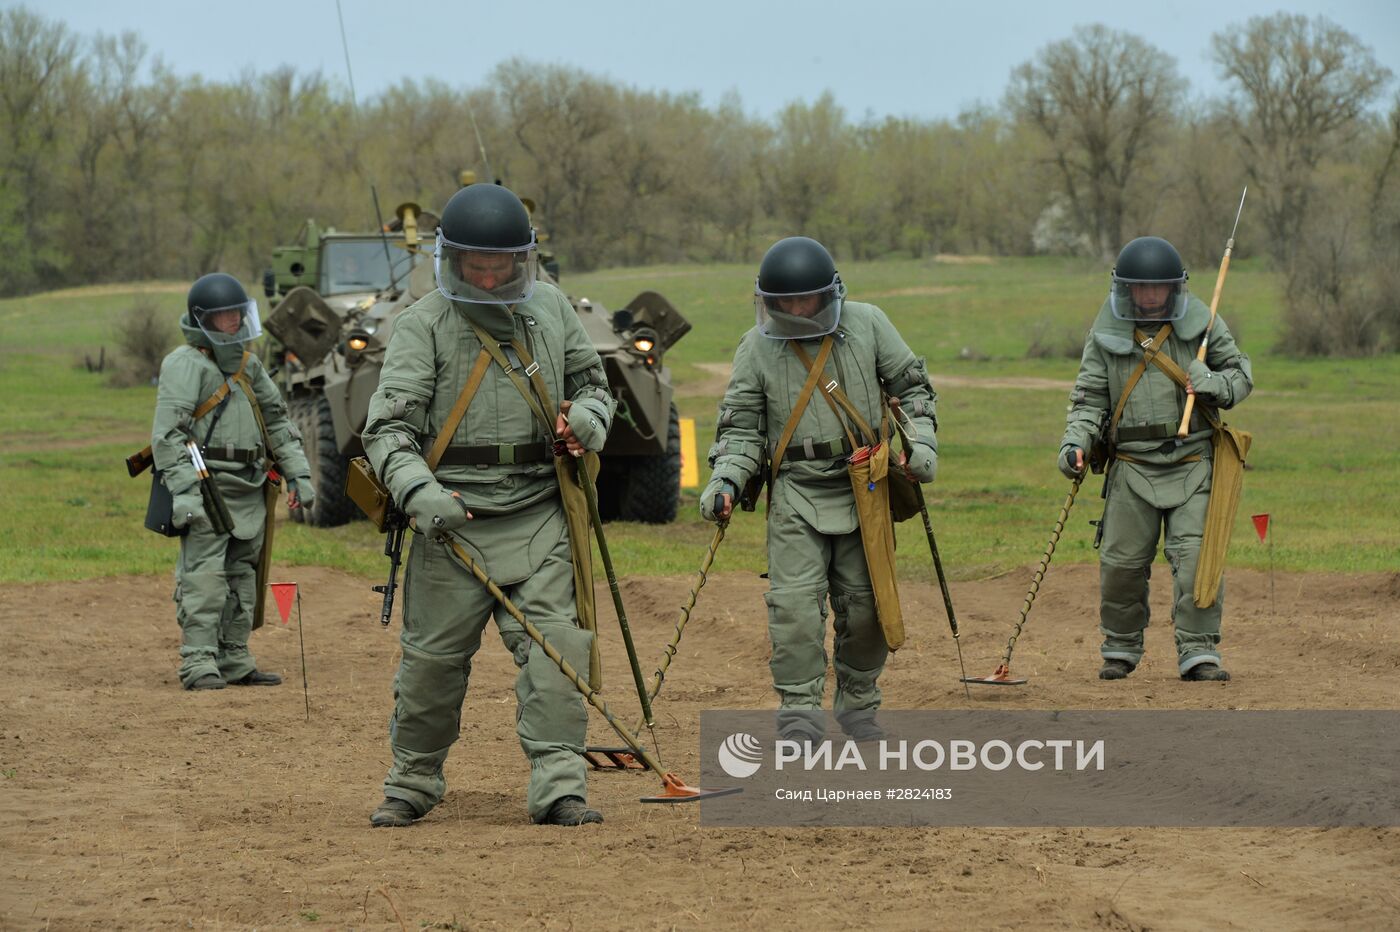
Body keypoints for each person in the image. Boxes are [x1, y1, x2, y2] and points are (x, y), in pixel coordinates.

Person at [360, 183, 615, 828]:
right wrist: (421, 494)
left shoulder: (552, 310)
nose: (487, 272)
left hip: (540, 512)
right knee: (432, 667)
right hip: (452, 521)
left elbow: (594, 385)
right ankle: (412, 781)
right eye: (474, 261)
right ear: (452, 259)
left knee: (559, 653)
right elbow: (387, 432)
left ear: (521, 260)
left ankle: (560, 785)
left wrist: (585, 420)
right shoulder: (421, 325)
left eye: (499, 262)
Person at [701, 236, 938, 742]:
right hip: (795, 492)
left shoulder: (870, 324)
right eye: (785, 303)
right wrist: (726, 480)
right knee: (793, 612)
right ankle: (799, 719)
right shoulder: (755, 348)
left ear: (829, 294)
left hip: (864, 487)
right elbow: (740, 429)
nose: (797, 310)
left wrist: (921, 446)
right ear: (770, 302)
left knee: (868, 609)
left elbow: (913, 389)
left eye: (806, 300)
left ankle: (858, 709)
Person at [1059, 236, 1253, 682]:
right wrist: (1075, 445)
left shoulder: (1204, 323)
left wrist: (1213, 385)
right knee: (1121, 566)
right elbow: (1087, 400)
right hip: (1131, 466)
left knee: (1195, 562)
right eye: (1140, 288)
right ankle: (1121, 648)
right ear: (1124, 288)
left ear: (1174, 287)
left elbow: (1241, 376)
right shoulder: (1105, 333)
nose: (1149, 296)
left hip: (1192, 464)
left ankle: (1199, 651)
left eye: (1158, 287)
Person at [151, 273, 315, 690]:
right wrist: (185, 491)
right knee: (204, 575)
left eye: (238, 315)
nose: (234, 323)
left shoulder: (248, 364)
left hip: (250, 484)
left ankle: (235, 656)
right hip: (206, 483)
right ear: (203, 320)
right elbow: (168, 434)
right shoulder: (184, 365)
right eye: (225, 316)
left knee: (244, 572)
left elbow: (277, 420)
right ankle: (199, 661)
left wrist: (299, 472)